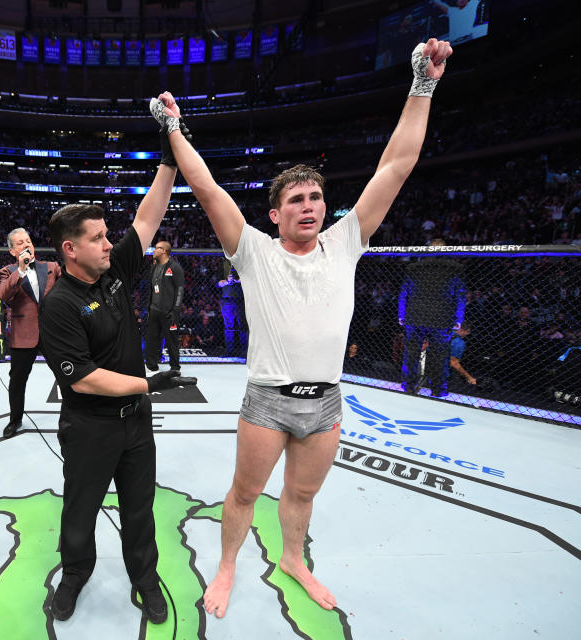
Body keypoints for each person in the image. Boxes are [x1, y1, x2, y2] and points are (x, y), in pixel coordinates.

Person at [151, 37, 453, 615]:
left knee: (303, 493)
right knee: (243, 494)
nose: (310, 206)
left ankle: (292, 558)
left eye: (316, 197)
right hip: (268, 400)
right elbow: (208, 189)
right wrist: (173, 128)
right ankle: (228, 566)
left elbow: (396, 164)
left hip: (327, 404)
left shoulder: (345, 244)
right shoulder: (254, 251)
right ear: (275, 213)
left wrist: (422, 84)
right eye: (296, 200)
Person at [38, 139, 196, 623]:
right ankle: (74, 575)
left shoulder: (114, 272)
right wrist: (150, 385)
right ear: (70, 249)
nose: (110, 244)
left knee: (139, 510)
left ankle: (145, 579)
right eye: (98, 238)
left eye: (108, 236)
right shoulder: (60, 303)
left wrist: (169, 157)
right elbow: (82, 380)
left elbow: (148, 217)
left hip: (135, 425)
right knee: (80, 510)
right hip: (90, 425)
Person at [0, 229, 62, 437]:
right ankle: (15, 420)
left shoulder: (52, 267)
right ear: (12, 251)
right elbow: (3, 295)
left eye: (29, 241)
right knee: (17, 381)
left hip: (52, 333)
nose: (26, 245)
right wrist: (21, 271)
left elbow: (67, 293)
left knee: (65, 375)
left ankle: (73, 417)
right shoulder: (7, 271)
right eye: (20, 243)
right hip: (23, 335)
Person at [398, 238, 466, 396]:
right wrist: (458, 318)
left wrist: (402, 314)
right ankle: (438, 388)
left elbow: (404, 293)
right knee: (440, 355)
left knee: (412, 353)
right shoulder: (455, 268)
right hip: (442, 317)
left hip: (415, 316)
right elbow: (461, 295)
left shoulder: (414, 267)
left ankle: (408, 385)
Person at [144, 240, 185, 371]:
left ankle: (174, 367)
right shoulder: (154, 266)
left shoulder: (174, 267)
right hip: (154, 309)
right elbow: (151, 287)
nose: (154, 250)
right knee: (151, 338)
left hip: (169, 311)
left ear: (164, 251)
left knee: (171, 340)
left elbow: (180, 289)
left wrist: (176, 310)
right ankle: (151, 364)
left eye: (157, 248)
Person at [217, 258, 247, 357]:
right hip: (227, 299)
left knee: (243, 325)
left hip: (240, 298)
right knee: (228, 326)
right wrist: (227, 281)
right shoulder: (224, 264)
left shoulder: (242, 262)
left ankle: (244, 351)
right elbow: (218, 283)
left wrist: (237, 280)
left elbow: (249, 279)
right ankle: (229, 351)